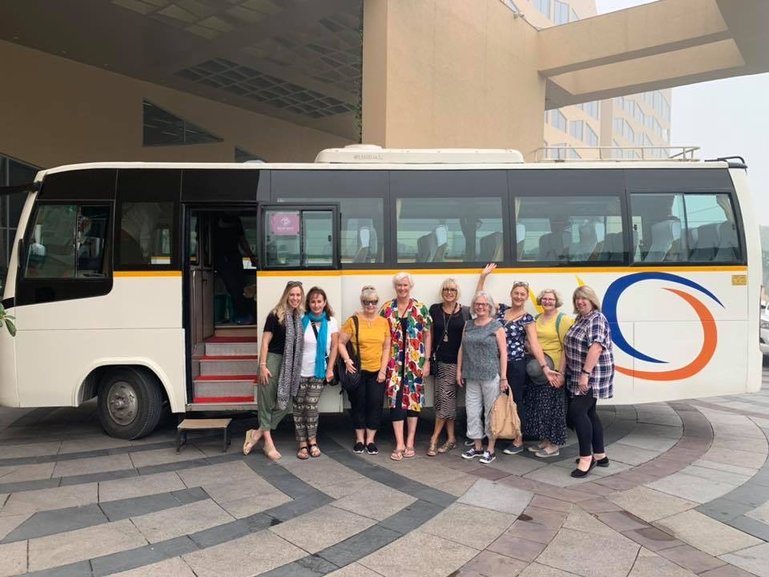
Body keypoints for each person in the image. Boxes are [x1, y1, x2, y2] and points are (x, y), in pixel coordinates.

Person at [476, 263, 557, 455]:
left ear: (526, 297)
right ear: (511, 294)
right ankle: (496, 432)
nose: (519, 296)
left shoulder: (528, 319)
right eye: (516, 293)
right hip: (494, 362)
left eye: (522, 294)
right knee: (493, 399)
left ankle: (518, 439)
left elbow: (534, 344)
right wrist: (483, 277)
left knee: (516, 400)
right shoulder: (502, 310)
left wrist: (545, 367)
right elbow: (481, 299)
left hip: (515, 364)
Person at [243, 280, 304, 460]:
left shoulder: (298, 317)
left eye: (298, 295)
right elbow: (265, 342)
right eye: (292, 294)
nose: (295, 298)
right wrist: (262, 365)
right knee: (267, 404)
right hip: (272, 361)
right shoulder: (275, 315)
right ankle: (268, 444)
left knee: (285, 405)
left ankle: (256, 434)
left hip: (289, 365)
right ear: (286, 295)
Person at [380, 272, 432, 461]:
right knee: (395, 399)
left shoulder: (420, 308)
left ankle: (410, 441)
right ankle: (399, 443)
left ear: (410, 287)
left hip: (414, 362)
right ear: (395, 287)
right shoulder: (386, 308)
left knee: (413, 401)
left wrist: (426, 361)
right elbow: (379, 331)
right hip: (393, 363)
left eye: (405, 285)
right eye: (399, 285)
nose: (402, 288)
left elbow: (427, 335)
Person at [564, 285, 614, 478]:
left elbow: (596, 348)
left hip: (594, 373)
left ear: (592, 300)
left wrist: (585, 374)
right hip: (580, 372)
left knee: (577, 411)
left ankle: (586, 457)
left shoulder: (596, 318)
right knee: (590, 412)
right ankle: (601, 455)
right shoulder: (581, 318)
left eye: (584, 298)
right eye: (577, 299)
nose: (580, 301)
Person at [338, 285, 391, 455]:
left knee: (375, 404)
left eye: (374, 302)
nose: (370, 305)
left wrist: (383, 370)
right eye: (367, 302)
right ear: (362, 302)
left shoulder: (384, 322)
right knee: (358, 404)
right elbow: (340, 343)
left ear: (377, 303)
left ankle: (371, 440)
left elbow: (386, 348)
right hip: (358, 372)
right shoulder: (353, 321)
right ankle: (360, 440)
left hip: (377, 371)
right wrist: (347, 360)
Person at [457, 291, 507, 464]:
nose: (480, 307)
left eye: (484, 304)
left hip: (490, 375)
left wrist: (504, 378)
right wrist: (459, 371)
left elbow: (504, 353)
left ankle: (490, 448)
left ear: (490, 307)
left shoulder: (496, 326)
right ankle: (477, 446)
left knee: (490, 412)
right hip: (471, 375)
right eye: (478, 304)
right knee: (472, 412)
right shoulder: (468, 324)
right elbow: (461, 349)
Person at [523, 289, 573, 457]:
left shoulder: (563, 319)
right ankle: (544, 442)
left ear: (556, 301)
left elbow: (567, 348)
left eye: (551, 299)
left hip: (554, 369)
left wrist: (562, 373)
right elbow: (531, 341)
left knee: (553, 409)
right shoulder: (537, 318)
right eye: (544, 299)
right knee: (540, 408)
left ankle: (554, 446)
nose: (547, 302)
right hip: (540, 368)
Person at [293, 287, 339, 460]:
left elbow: (334, 346)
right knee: (298, 406)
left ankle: (312, 441)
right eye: (313, 301)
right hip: (299, 371)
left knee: (310, 405)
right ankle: (302, 443)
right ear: (308, 303)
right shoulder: (301, 320)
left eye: (319, 301)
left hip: (318, 370)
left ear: (325, 303)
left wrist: (330, 369)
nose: (316, 304)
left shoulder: (331, 321)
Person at [426, 278, 470, 456]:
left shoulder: (465, 312)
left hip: (456, 363)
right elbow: (429, 334)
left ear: (457, 291)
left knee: (445, 402)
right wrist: (427, 360)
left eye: (452, 289)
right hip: (439, 362)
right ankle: (451, 438)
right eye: (445, 289)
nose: (449, 292)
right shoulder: (434, 309)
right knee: (444, 401)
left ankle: (434, 438)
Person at [213, 212, 257, 325]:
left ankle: (243, 316)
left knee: (240, 289)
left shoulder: (235, 220)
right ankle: (241, 315)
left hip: (234, 257)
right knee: (234, 288)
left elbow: (242, 240)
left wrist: (251, 256)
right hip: (222, 258)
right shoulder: (213, 218)